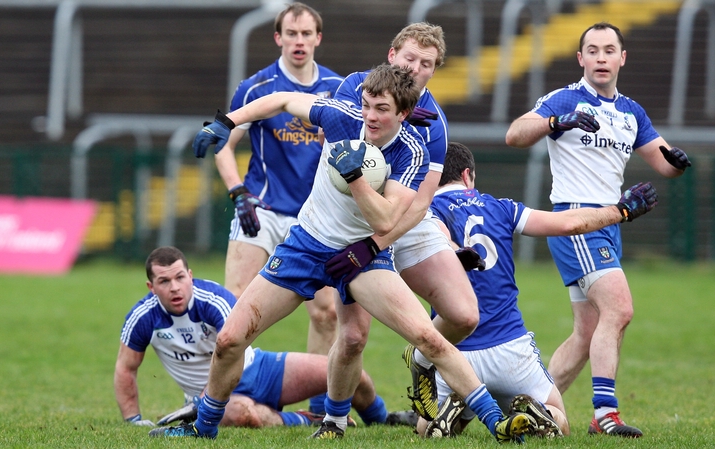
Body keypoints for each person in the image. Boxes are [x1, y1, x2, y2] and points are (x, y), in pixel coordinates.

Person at [152, 64, 535, 442]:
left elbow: (385, 220)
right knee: (230, 340)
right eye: (367, 104)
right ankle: (203, 428)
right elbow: (283, 99)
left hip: (361, 257)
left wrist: (355, 178)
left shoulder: (411, 153)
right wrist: (228, 122)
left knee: (428, 339)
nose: (369, 116)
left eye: (381, 109)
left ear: (403, 113)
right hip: (306, 243)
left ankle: (496, 422)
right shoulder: (341, 116)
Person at [504, 22, 692, 437]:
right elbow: (514, 135)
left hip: (611, 221)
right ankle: (605, 414)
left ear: (622, 58)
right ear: (581, 58)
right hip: (576, 221)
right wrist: (556, 121)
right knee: (620, 309)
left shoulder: (631, 112)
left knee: (587, 332)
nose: (601, 57)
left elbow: (663, 163)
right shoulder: (565, 98)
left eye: (609, 50)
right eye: (593, 50)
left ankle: (533, 409)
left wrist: (677, 161)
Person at [417, 142, 657, 440]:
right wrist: (620, 210)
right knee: (559, 419)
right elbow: (570, 223)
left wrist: (456, 252)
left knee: (425, 426)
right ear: (468, 175)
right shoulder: (503, 207)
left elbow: (441, 243)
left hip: (455, 351)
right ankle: (534, 412)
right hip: (510, 347)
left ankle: (454, 406)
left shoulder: (425, 213)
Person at [330, 22, 481, 423]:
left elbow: (421, 204)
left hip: (403, 224)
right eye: (410, 57)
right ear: (392, 55)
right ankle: (334, 421)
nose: (416, 67)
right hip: (351, 222)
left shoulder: (435, 123)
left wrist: (378, 245)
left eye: (426, 63)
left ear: (434, 70)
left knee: (464, 315)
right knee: (352, 337)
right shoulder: (356, 88)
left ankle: (421, 358)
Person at [199, 3, 343, 414]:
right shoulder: (255, 87)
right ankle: (220, 400)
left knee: (328, 313)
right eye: (291, 34)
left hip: (318, 218)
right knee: (235, 307)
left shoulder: (337, 88)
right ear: (278, 38)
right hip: (258, 211)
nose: (299, 41)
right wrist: (237, 192)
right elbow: (223, 148)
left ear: (319, 38)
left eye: (306, 34)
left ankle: (320, 408)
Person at [114, 246, 394, 429]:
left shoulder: (213, 300)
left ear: (190, 275)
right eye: (164, 282)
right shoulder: (142, 318)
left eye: (179, 278)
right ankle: (303, 420)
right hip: (213, 398)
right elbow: (126, 368)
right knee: (245, 414)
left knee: (348, 373)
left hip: (259, 370)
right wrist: (134, 420)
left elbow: (232, 349)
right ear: (151, 287)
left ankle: (382, 420)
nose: (175, 287)